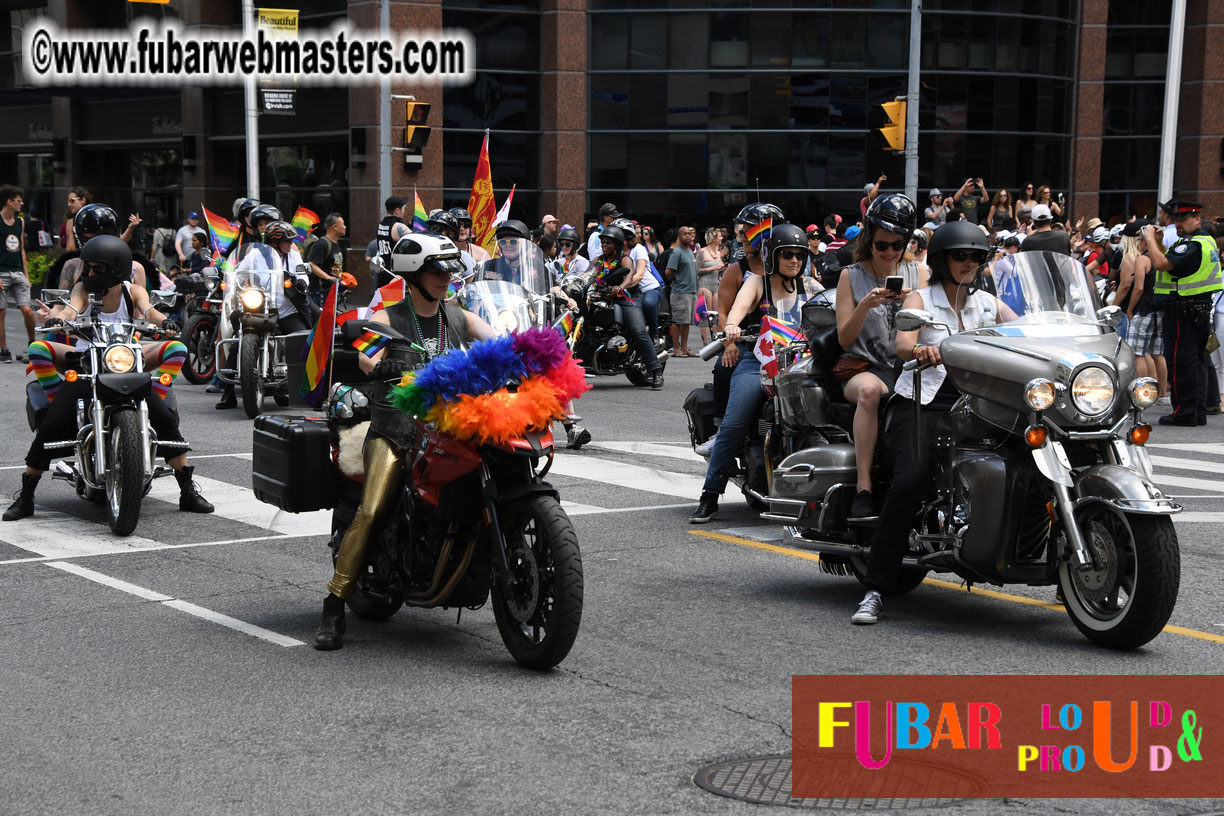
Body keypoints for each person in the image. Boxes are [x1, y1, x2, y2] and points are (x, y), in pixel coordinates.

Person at [314, 233, 497, 649]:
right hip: (398, 429)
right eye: (437, 270)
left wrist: (527, 355)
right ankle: (334, 602)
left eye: (449, 269)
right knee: (373, 509)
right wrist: (380, 365)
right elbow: (366, 354)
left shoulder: (458, 316)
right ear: (413, 274)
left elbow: (497, 340)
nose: (446, 277)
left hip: (451, 426)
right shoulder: (387, 318)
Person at [851, 221, 1017, 624]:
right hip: (925, 401)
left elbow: (1023, 329)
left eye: (977, 256)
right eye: (961, 255)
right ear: (942, 259)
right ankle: (875, 588)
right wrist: (924, 349)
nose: (969, 263)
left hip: (979, 405)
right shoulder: (920, 299)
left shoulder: (986, 304)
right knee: (910, 481)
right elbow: (904, 342)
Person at [4, 235, 213, 522]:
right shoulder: (83, 289)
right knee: (51, 422)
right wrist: (58, 317)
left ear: (116, 268)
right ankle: (26, 496)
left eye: (96, 268)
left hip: (125, 361)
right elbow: (71, 309)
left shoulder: (133, 290)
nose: (89, 274)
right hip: (86, 360)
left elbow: (150, 311)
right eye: (88, 267)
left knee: (166, 418)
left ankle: (187, 490)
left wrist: (165, 323)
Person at [688, 224, 812, 523]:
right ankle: (710, 495)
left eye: (798, 255)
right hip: (759, 361)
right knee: (734, 421)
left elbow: (832, 310)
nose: (793, 260)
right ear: (773, 257)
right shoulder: (758, 282)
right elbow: (738, 309)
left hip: (800, 364)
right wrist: (732, 325)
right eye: (786, 255)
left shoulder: (811, 285)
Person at [835, 193, 919, 519]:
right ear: (869, 237)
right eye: (882, 244)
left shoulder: (917, 273)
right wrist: (865, 304)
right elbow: (844, 338)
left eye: (898, 245)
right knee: (870, 393)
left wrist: (915, 301)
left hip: (908, 367)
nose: (889, 252)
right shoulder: (850, 276)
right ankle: (864, 488)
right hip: (863, 366)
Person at [1146, 201, 1222, 426]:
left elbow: (1161, 264)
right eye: (1176, 219)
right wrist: (1160, 242)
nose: (1178, 223)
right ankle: (1196, 411)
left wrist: (1150, 239)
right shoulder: (1205, 241)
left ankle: (1184, 412)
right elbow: (1175, 268)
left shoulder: (1191, 245)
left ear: (1197, 219)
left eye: (1184, 219)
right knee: (1196, 362)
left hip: (1183, 313)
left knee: (1181, 363)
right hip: (1196, 310)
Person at [591, 224, 663, 388]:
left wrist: (621, 287)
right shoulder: (599, 260)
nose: (604, 245)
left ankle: (656, 370)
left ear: (617, 244)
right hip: (604, 297)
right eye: (602, 242)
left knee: (637, 329)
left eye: (608, 242)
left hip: (627, 298)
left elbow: (630, 276)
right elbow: (590, 275)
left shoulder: (624, 259)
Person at [1120, 221, 1165, 396]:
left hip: (1144, 310)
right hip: (1160, 310)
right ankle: (1161, 394)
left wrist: (1130, 309)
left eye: (1140, 240)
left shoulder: (1143, 259)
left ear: (1145, 242)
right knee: (1157, 354)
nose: (1138, 243)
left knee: (1138, 354)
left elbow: (1138, 288)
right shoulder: (1163, 258)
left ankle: (1142, 392)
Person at [0, 184, 34, 364]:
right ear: (9, 202)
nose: (21, 203)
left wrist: (26, 277)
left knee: (27, 310)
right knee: (2, 312)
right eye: (19, 200)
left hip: (18, 271)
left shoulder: (20, 222)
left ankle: (32, 344)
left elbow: (21, 249)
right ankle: (4, 349)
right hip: (1, 271)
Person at [667, 225, 699, 356]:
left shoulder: (690, 251)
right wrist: (676, 280)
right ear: (679, 236)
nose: (688, 236)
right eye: (685, 234)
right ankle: (676, 348)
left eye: (690, 234)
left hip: (691, 292)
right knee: (677, 321)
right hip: (680, 292)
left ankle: (685, 348)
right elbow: (669, 272)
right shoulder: (677, 252)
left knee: (686, 322)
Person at [307, 213, 346, 303]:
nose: (345, 227)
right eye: (343, 224)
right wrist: (328, 277)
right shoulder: (322, 244)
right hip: (320, 293)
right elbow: (312, 265)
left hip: (332, 292)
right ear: (335, 226)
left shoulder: (336, 244)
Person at [373, 196, 410, 287]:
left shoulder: (380, 225)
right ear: (397, 210)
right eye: (404, 209)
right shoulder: (398, 226)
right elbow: (416, 239)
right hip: (395, 274)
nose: (404, 212)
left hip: (382, 272)